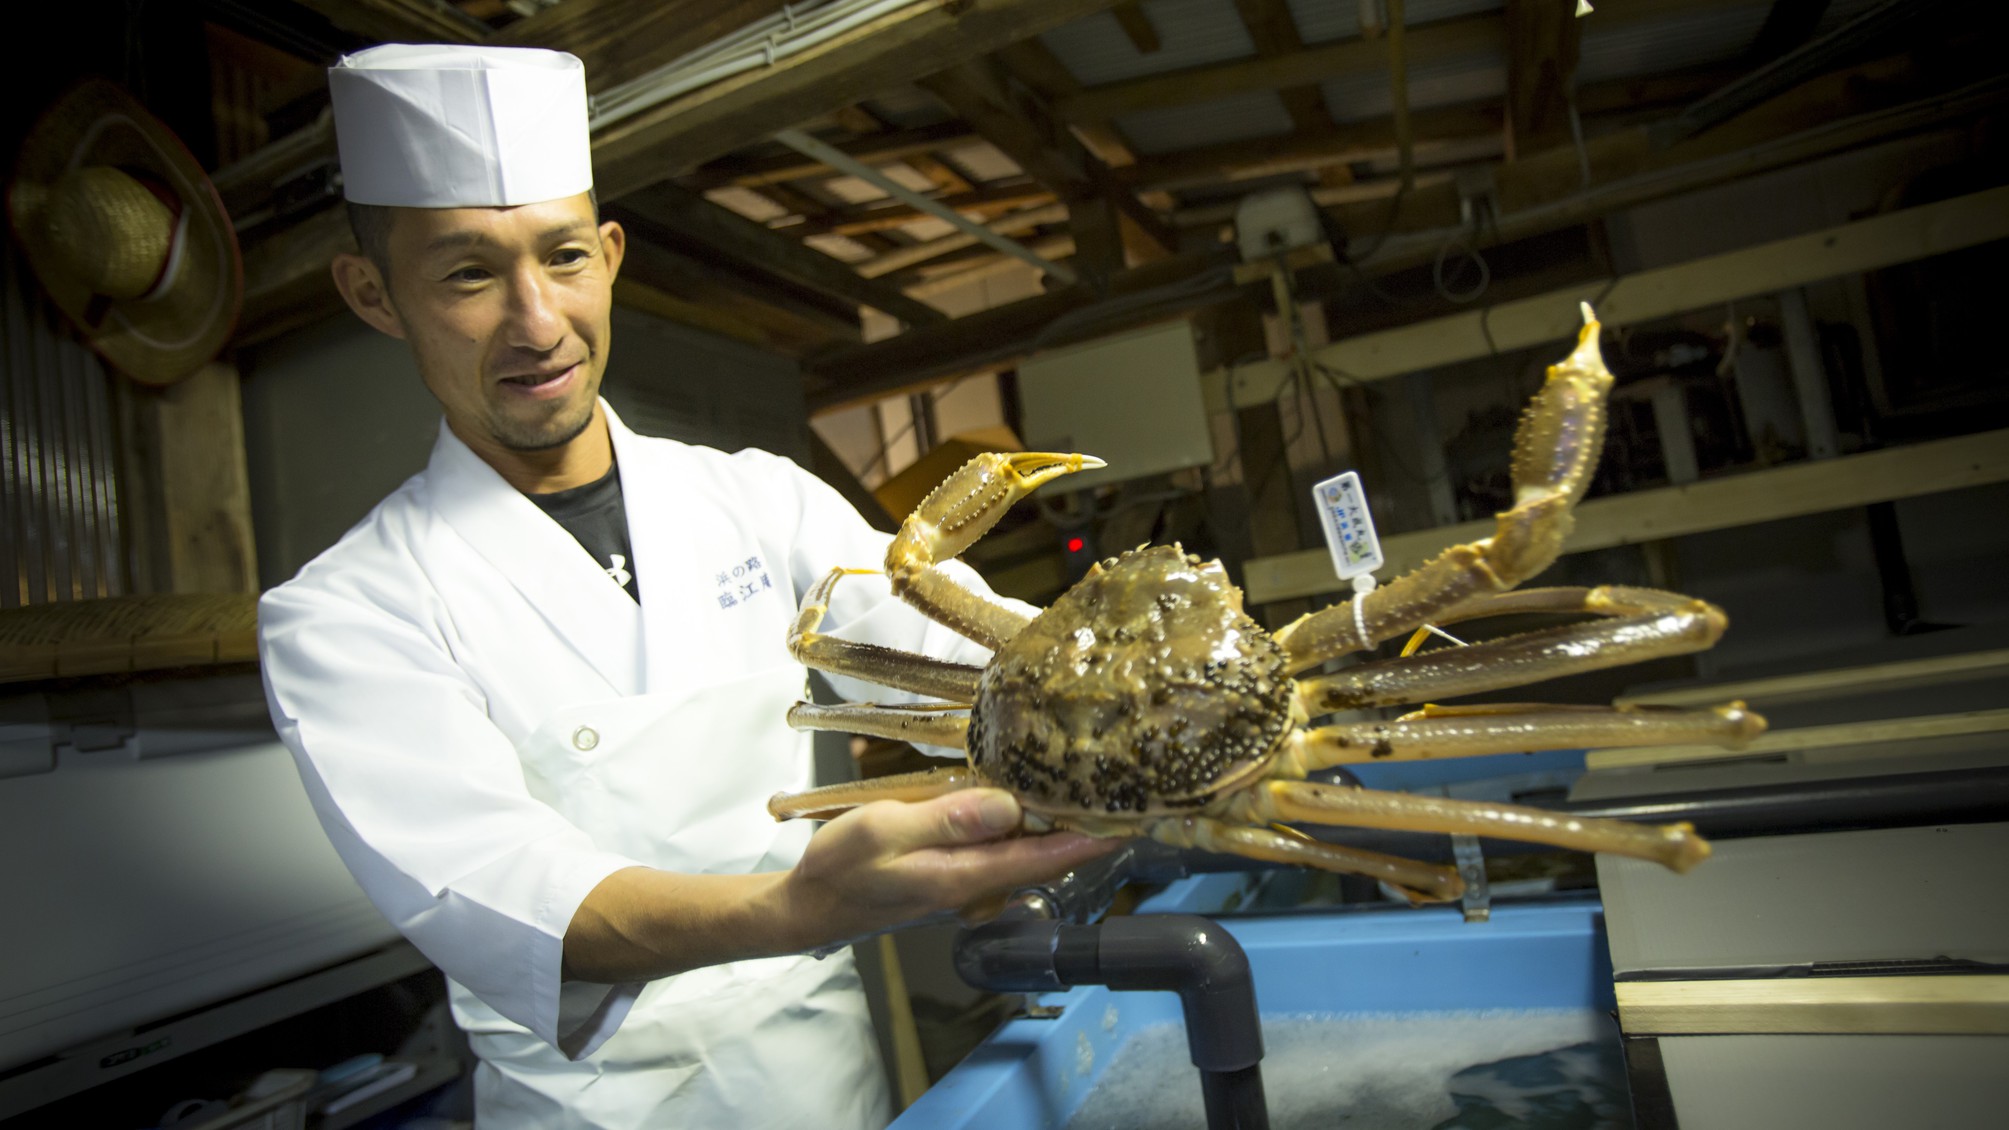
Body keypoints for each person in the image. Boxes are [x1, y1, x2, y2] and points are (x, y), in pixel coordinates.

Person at [256, 43, 1111, 1130]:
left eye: (561, 256)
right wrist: (797, 905)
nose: (537, 320)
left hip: (823, 1077)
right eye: (468, 273)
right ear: (372, 292)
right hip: (589, 1108)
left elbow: (972, 662)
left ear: (609, 255)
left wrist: (1118, 696)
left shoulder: (761, 501)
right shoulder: (345, 610)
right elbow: (501, 888)